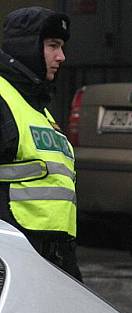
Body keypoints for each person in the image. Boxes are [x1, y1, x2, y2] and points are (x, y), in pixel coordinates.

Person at [0, 6, 81, 280]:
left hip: (50, 256)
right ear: (27, 47)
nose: (61, 56)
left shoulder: (36, 106)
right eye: (53, 46)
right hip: (13, 262)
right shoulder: (4, 99)